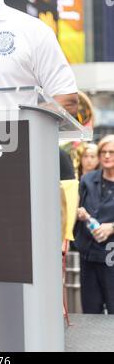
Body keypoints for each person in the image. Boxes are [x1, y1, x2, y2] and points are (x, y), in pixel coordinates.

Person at [74, 135, 114, 314]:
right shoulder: (87, 181)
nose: (107, 156)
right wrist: (80, 213)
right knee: (90, 310)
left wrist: (111, 227)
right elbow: (75, 208)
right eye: (103, 152)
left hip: (110, 256)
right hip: (88, 255)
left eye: (111, 152)